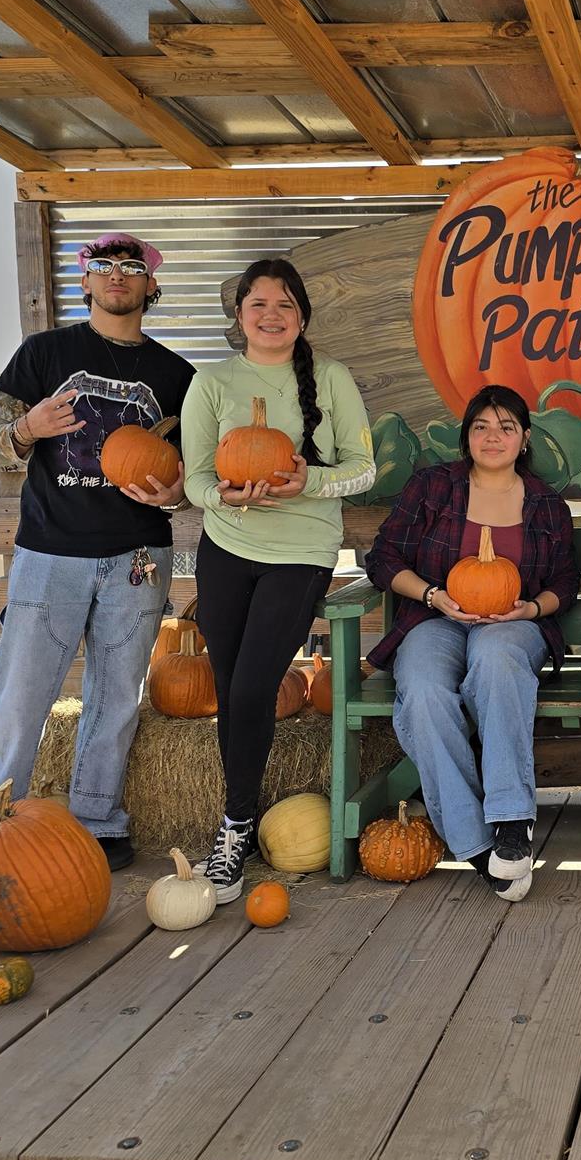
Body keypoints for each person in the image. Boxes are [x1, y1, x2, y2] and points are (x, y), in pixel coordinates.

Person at [0, 232, 191, 871]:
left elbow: (189, 474)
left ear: (151, 286)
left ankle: (97, 820)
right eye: (103, 265)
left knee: (117, 698)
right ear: (86, 282)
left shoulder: (177, 376)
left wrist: (176, 495)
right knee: (20, 697)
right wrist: (27, 427)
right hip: (50, 555)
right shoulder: (43, 353)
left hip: (137, 560)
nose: (117, 275)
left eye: (132, 266)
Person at [182, 259, 375, 902]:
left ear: (302, 317)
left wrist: (308, 481)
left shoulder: (331, 378)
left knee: (253, 686)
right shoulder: (211, 382)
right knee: (228, 688)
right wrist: (224, 496)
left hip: (301, 554)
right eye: (258, 304)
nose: (271, 315)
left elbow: (364, 469)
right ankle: (238, 815)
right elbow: (195, 478)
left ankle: (235, 825)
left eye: (285, 304)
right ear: (239, 315)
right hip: (226, 549)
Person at [364, 386, 578, 901]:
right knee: (422, 690)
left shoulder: (546, 504)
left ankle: (511, 819)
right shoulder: (434, 487)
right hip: (436, 617)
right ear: (467, 436)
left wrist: (530, 608)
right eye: (481, 426)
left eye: (506, 427)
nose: (493, 437)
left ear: (525, 438)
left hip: (512, 624)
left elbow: (565, 582)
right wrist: (433, 595)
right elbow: (383, 558)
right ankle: (476, 842)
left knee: (497, 658)